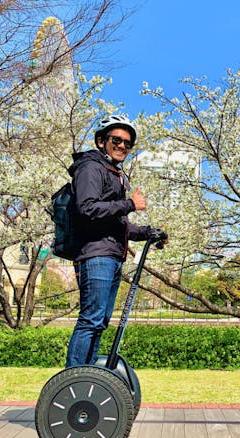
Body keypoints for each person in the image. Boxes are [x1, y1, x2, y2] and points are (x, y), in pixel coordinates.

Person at [65, 115, 163, 367]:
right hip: (96, 255)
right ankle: (72, 380)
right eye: (116, 140)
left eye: (127, 144)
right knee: (91, 320)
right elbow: (87, 208)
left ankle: (87, 376)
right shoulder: (90, 168)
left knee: (99, 322)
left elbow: (116, 224)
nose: (122, 146)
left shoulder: (112, 172)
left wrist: (148, 232)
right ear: (101, 141)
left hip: (111, 254)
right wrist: (130, 204)